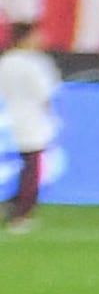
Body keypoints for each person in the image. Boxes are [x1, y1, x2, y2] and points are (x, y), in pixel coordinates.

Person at [0, 16, 54, 226]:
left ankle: (12, 203)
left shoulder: (5, 61)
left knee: (17, 166)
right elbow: (46, 94)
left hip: (8, 120)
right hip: (32, 120)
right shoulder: (36, 62)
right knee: (32, 167)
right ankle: (21, 213)